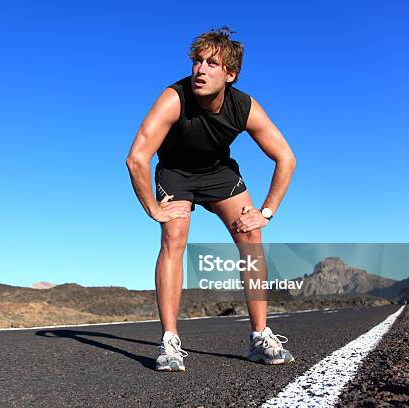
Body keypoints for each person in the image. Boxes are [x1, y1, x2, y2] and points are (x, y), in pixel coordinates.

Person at [126, 27, 297, 371]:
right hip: (176, 173)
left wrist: (267, 211)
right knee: (174, 237)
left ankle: (260, 336)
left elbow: (286, 158)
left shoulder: (243, 106)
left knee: (252, 236)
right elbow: (137, 157)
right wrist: (153, 209)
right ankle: (170, 342)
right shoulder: (174, 98)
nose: (200, 70)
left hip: (218, 172)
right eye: (197, 61)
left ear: (230, 74)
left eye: (212, 64)